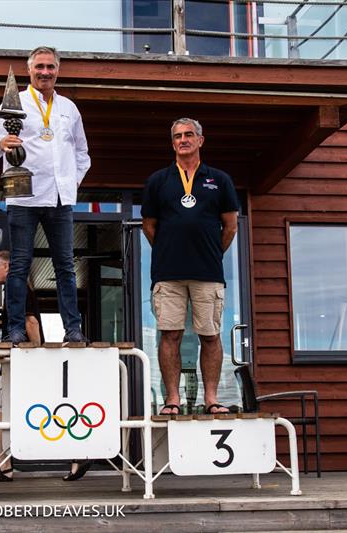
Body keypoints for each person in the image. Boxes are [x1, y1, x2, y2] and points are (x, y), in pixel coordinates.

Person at [0, 46, 91, 346]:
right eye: (39, 66)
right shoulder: (13, 103)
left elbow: (82, 154)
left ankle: (73, 329)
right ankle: (15, 328)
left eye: (50, 67)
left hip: (59, 198)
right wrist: (2, 142)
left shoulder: (69, 107)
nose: (45, 72)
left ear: (58, 70)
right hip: (23, 197)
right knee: (19, 265)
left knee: (65, 266)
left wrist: (71, 183)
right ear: (29, 70)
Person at [141, 118, 239, 416]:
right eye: (178, 137)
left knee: (210, 335)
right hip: (168, 274)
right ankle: (172, 399)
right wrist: (172, 250)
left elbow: (231, 227)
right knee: (170, 334)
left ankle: (211, 399)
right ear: (173, 144)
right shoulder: (158, 180)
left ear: (200, 140)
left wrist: (209, 253)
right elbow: (149, 226)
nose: (183, 140)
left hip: (207, 273)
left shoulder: (219, 179)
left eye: (189, 135)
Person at [0, 250, 44, 481]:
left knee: (9, 412)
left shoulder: (15, 287)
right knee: (1, 412)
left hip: (24, 365)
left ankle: (78, 456)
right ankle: (5, 464)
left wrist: (37, 352)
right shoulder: (17, 287)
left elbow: (31, 322)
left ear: (7, 267)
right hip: (20, 364)